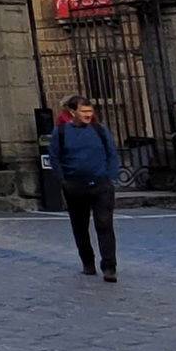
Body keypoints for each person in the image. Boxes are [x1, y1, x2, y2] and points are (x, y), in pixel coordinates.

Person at [48, 97, 120, 280]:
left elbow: (111, 152)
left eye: (90, 111)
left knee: (104, 225)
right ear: (73, 112)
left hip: (101, 184)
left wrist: (111, 177)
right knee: (80, 226)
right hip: (75, 185)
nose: (88, 115)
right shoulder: (61, 131)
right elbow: (54, 157)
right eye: (84, 111)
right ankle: (88, 262)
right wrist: (63, 180)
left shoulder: (99, 129)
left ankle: (109, 266)